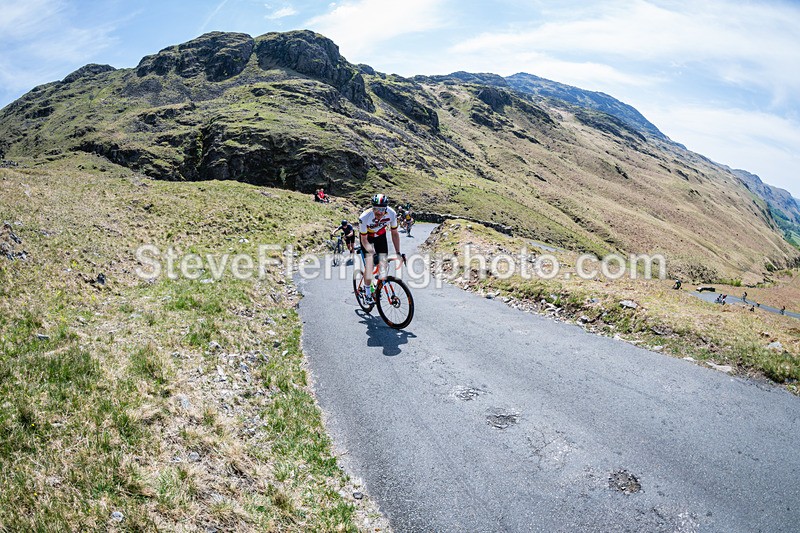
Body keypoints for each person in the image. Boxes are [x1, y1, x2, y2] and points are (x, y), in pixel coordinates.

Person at [358, 193, 405, 304]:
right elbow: (364, 240)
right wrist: (372, 253)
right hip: (367, 238)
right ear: (372, 207)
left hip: (380, 236)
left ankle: (376, 283)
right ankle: (368, 292)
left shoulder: (392, 213)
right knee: (369, 264)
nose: (379, 212)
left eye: (382, 209)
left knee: (383, 263)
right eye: (376, 209)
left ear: (386, 208)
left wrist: (398, 252)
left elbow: (394, 233)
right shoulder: (364, 217)